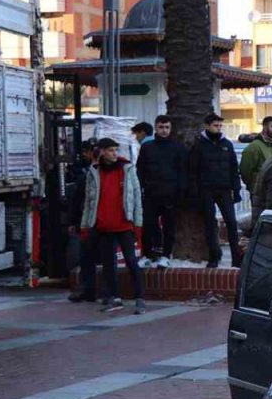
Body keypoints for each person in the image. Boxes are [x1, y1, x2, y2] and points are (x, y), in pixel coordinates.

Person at [80, 138, 144, 313]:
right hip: (103, 226)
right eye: (110, 150)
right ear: (101, 152)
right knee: (109, 265)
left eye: (116, 150)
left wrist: (137, 224)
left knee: (131, 262)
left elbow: (137, 197)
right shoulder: (94, 172)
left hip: (124, 225)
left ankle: (140, 298)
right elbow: (89, 202)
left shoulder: (127, 169)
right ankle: (115, 298)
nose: (115, 153)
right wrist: (85, 226)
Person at [188, 113, 243, 269]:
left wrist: (236, 190)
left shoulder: (227, 144)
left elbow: (234, 168)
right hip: (206, 190)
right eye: (215, 125)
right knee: (210, 224)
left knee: (232, 223)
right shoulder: (199, 145)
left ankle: (236, 258)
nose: (218, 128)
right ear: (207, 126)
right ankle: (214, 257)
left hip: (224, 189)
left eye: (220, 125)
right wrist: (195, 193)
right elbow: (193, 171)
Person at [135, 114, 186, 269]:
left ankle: (165, 255)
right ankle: (148, 255)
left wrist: (180, 193)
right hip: (151, 194)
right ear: (156, 128)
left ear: (171, 129)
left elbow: (183, 172)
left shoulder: (178, 147)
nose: (164, 130)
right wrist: (142, 188)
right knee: (148, 225)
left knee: (169, 226)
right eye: (161, 127)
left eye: (167, 127)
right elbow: (140, 170)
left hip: (170, 194)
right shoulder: (147, 147)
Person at [67, 140, 99, 302]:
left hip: (103, 221)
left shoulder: (113, 172)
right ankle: (88, 290)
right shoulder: (84, 173)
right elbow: (77, 199)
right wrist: (73, 221)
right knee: (86, 258)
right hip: (87, 221)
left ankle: (102, 291)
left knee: (99, 257)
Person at [238, 116, 272, 192]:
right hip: (258, 191)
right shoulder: (254, 147)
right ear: (265, 127)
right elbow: (245, 171)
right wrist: (254, 186)